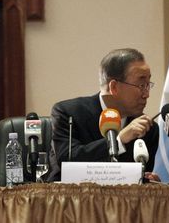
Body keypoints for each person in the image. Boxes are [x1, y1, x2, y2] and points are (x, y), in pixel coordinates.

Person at [47, 48, 159, 182]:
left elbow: (141, 177)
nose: (147, 94)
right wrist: (119, 140)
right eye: (141, 85)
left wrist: (149, 181)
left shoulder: (147, 129)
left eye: (148, 85)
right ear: (114, 87)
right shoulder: (69, 113)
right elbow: (67, 161)